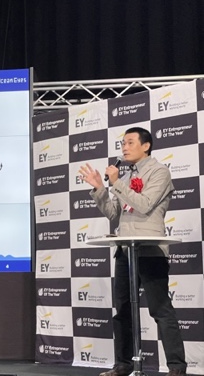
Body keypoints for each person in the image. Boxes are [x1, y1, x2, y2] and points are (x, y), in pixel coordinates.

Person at [78, 127, 187, 376]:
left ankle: (177, 368)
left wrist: (116, 182)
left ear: (146, 146)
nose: (124, 148)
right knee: (123, 311)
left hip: (150, 249)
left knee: (160, 309)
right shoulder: (125, 177)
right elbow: (113, 213)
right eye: (122, 143)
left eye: (129, 142)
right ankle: (123, 364)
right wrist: (100, 188)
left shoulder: (160, 171)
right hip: (125, 250)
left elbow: (144, 204)